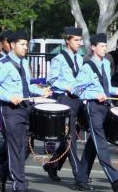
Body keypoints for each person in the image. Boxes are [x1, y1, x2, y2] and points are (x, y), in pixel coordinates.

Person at [0, 30, 52, 192]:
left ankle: (0, 168)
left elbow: (26, 86)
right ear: (12, 45)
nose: (25, 47)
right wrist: (8, 96)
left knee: (24, 147)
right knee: (16, 148)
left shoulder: (24, 63)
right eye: (22, 44)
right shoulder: (3, 64)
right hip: (10, 110)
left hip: (25, 108)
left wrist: (41, 91)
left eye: (26, 44)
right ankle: (19, 186)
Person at [72, 33, 118, 192]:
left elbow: (105, 87)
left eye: (106, 46)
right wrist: (94, 95)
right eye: (102, 46)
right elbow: (76, 90)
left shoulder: (105, 63)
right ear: (93, 47)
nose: (105, 48)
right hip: (93, 108)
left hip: (105, 106)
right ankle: (115, 179)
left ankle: (80, 178)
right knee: (101, 144)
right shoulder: (87, 67)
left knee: (93, 145)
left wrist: (115, 90)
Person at [43, 26, 83, 181]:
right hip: (65, 100)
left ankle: (52, 165)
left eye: (80, 40)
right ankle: (79, 175)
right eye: (76, 40)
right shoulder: (58, 59)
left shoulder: (79, 58)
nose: (79, 43)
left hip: (78, 100)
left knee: (69, 137)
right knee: (69, 137)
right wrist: (67, 86)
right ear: (67, 41)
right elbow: (51, 80)